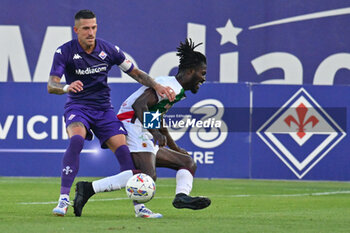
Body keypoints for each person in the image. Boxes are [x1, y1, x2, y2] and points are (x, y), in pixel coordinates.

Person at [48, 9, 175, 217]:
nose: (91, 32)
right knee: (76, 141)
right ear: (76, 30)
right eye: (86, 28)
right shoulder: (65, 52)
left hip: (103, 110)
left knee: (124, 152)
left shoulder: (108, 49)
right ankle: (63, 199)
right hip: (78, 107)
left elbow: (135, 72)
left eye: (94, 27)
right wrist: (65, 87)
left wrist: (157, 85)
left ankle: (139, 206)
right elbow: (51, 84)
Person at [73, 39, 211, 218]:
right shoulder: (171, 87)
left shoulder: (176, 89)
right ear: (191, 71)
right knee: (147, 176)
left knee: (187, 162)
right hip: (133, 123)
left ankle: (181, 197)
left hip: (141, 126)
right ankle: (91, 189)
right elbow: (140, 105)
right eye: (203, 73)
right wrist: (154, 132)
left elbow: (157, 116)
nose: (204, 78)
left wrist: (174, 146)